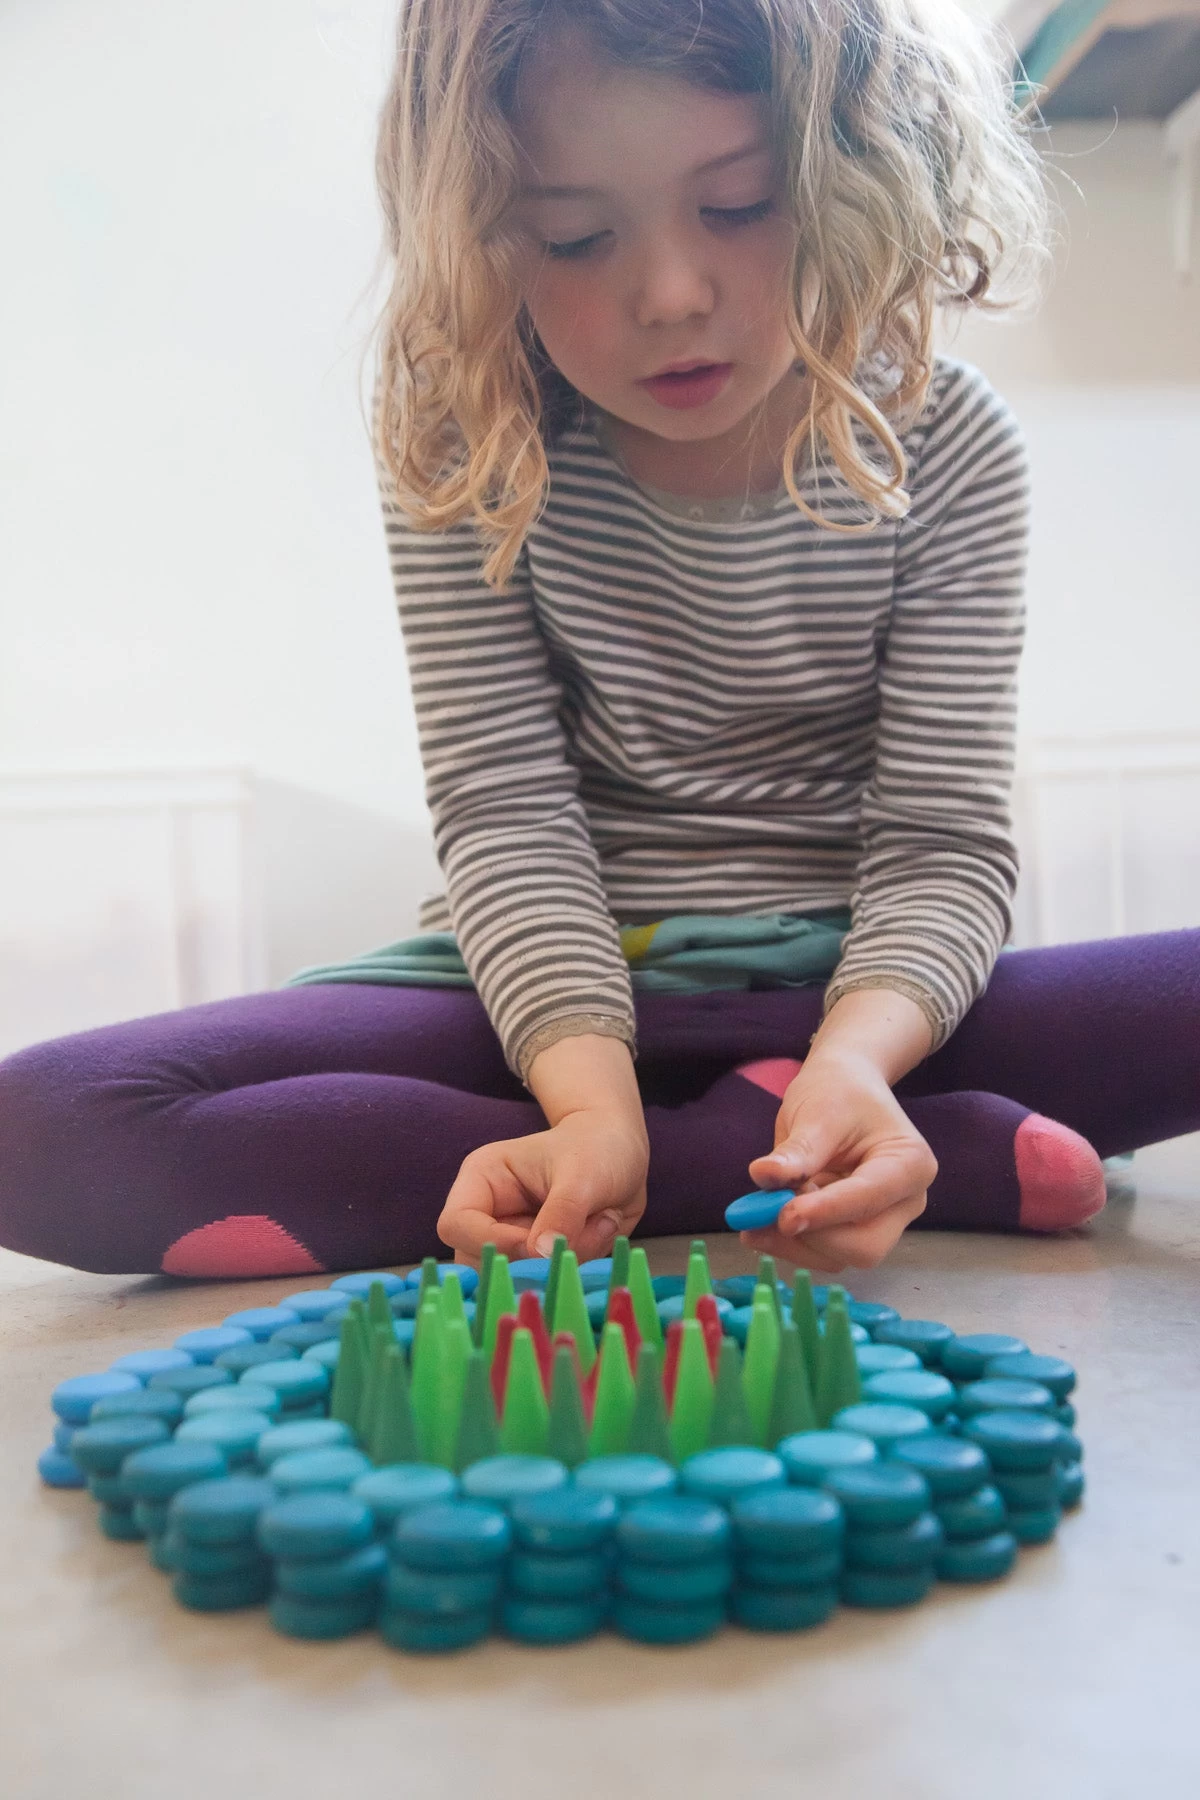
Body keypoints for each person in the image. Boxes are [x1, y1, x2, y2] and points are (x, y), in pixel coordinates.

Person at [0, 0, 1196, 1282]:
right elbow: (507, 814)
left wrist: (854, 1060)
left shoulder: (952, 444)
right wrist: (587, 1102)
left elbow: (941, 839)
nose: (671, 294)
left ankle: (809, 1125)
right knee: (40, 1130)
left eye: (738, 206)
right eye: (574, 236)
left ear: (855, 174)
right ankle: (847, 1156)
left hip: (856, 990)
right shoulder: (472, 446)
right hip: (542, 998)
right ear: (484, 236)